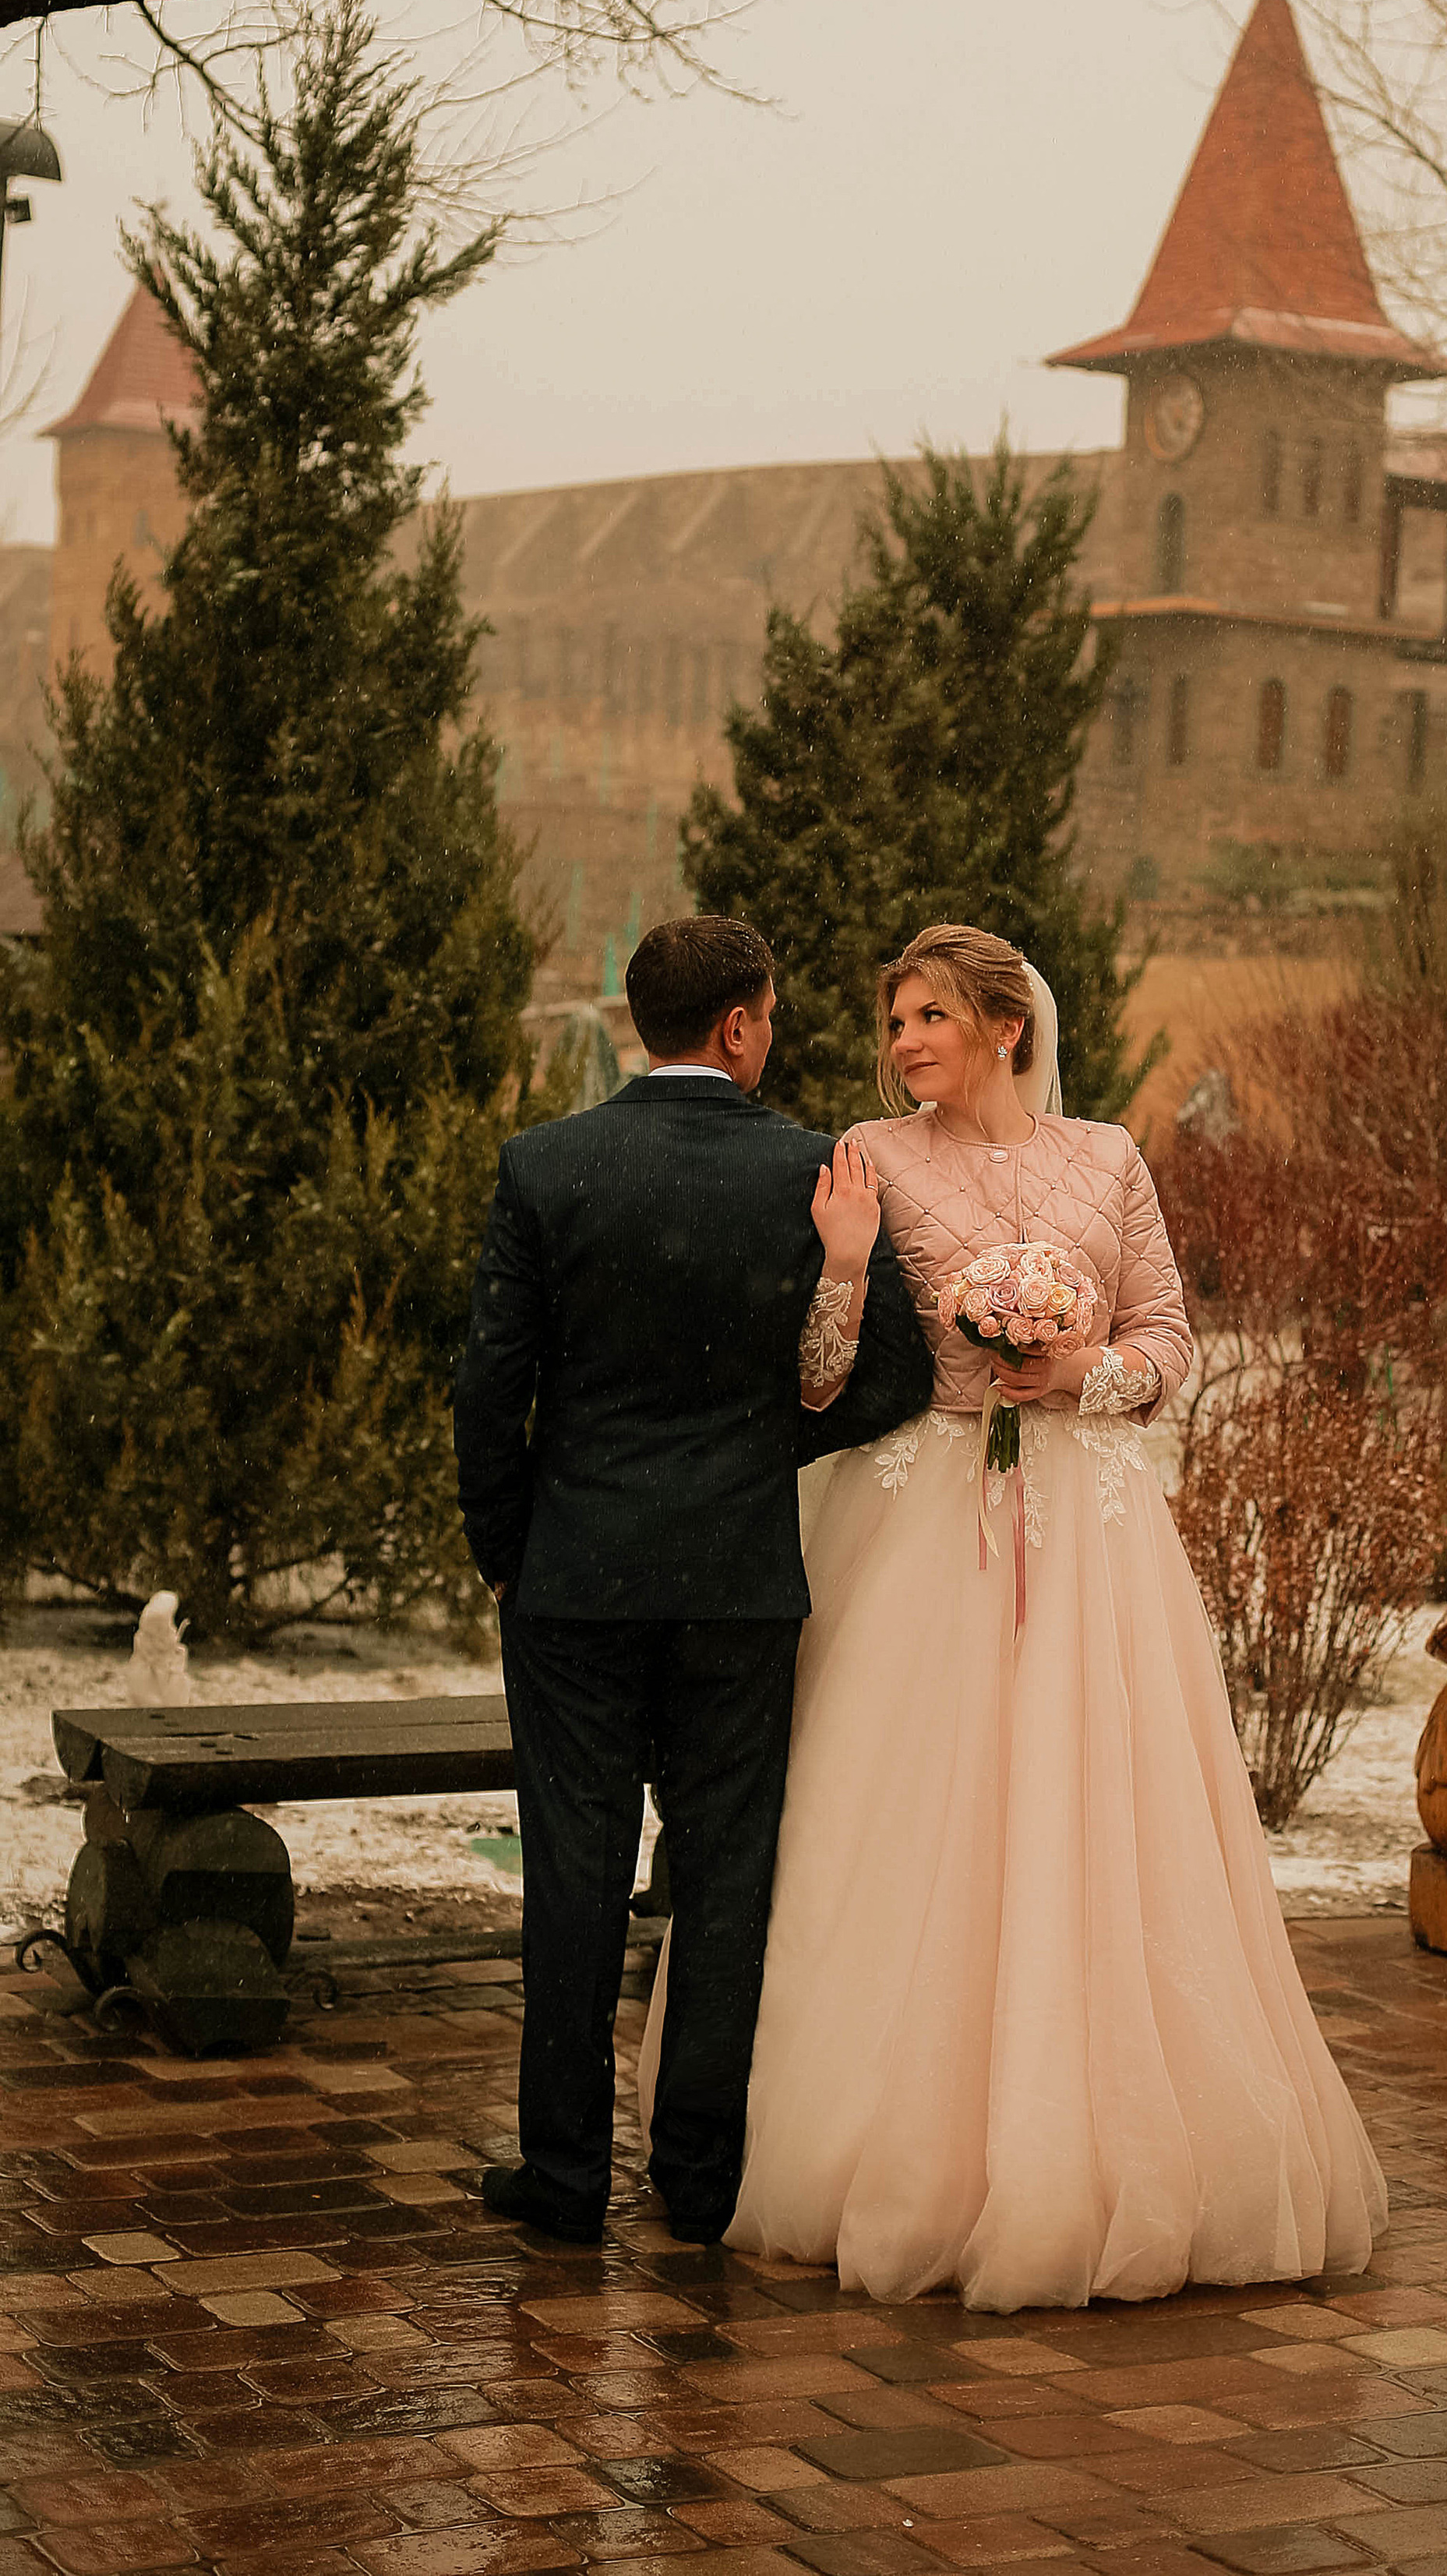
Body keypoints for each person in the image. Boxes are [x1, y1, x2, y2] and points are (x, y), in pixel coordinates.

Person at [640, 923, 1386, 2308]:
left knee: (1102, 1818)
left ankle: (1106, 2137)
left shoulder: (1107, 1157)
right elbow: (816, 1380)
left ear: (1004, 1025)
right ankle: (871, 2133)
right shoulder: (863, 1159)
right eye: (893, 1021)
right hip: (924, 1524)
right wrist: (850, 1267)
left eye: (930, 1016)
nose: (904, 1042)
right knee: (904, 1817)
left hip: (1093, 1531)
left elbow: (1172, 1342)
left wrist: (1079, 1372)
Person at [454, 916, 933, 2249]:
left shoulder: (548, 1168)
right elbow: (890, 1374)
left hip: (576, 1584)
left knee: (573, 1876)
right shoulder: (812, 1176)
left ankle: (561, 2182)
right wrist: (757, 1446)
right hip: (736, 1583)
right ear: (738, 1025)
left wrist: (512, 1552)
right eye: (769, 1014)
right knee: (725, 1881)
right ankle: (700, 2179)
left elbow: (492, 1391)